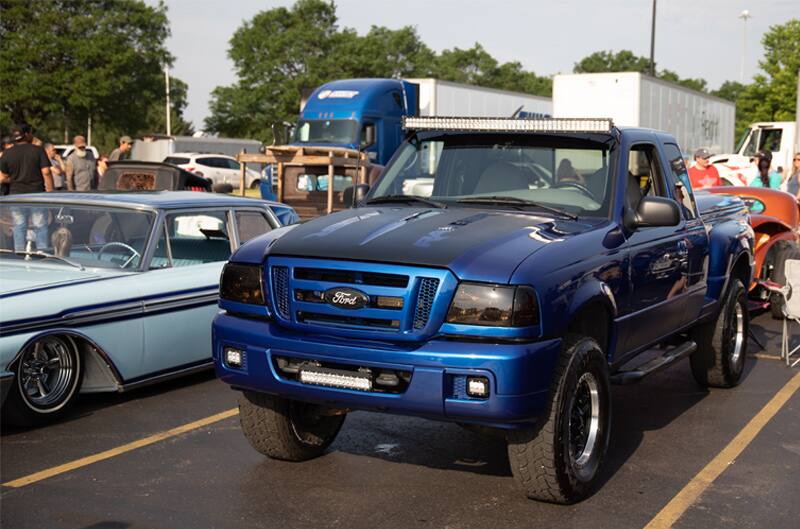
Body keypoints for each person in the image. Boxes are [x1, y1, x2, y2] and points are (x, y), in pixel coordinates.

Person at [0, 125, 53, 251]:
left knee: (19, 226)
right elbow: (46, 172)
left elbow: (2, 178)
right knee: (40, 226)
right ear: (27, 134)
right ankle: (42, 254)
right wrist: (51, 192)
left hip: (16, 196)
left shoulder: (7, 153)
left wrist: (16, 179)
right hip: (37, 195)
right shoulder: (38, 150)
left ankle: (20, 255)